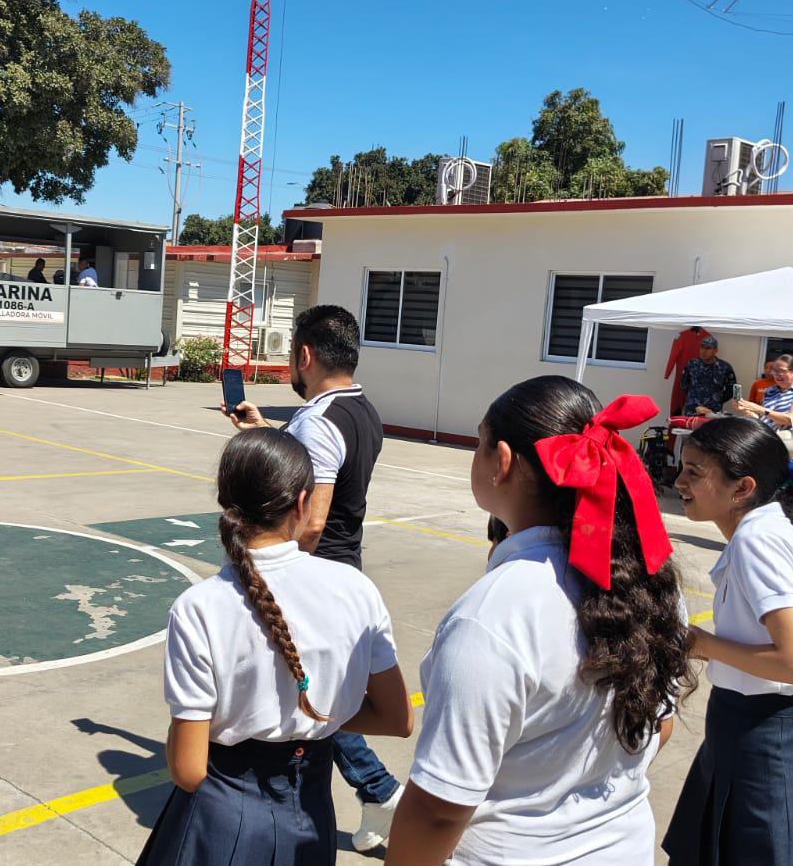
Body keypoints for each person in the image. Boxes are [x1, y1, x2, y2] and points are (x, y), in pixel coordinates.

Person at [385, 377, 694, 865]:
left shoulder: (491, 618)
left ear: (502, 461)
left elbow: (439, 811)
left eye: (479, 442)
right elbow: (661, 727)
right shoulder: (656, 583)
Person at [138, 430, 413, 865]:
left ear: (227, 504)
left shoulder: (199, 606)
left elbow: (189, 771)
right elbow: (397, 718)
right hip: (312, 815)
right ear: (303, 504)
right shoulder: (356, 590)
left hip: (222, 816)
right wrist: (319, 708)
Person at [226, 305, 403, 851]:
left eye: (290, 357)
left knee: (311, 698)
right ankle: (376, 794)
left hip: (318, 571)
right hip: (343, 566)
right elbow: (316, 466)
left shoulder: (318, 421)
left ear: (305, 356)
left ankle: (379, 791)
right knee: (321, 692)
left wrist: (278, 571)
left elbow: (314, 517)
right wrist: (268, 434)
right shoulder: (360, 409)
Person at [662, 418, 793, 865]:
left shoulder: (758, 543)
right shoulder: (763, 533)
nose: (679, 481)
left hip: (765, 746)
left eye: (694, 472)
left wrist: (699, 643)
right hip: (741, 735)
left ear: (742, 487)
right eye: (682, 468)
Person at [736, 353, 793, 432]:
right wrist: (749, 410)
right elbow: (765, 418)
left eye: (781, 371)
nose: (776, 375)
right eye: (774, 371)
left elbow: (790, 419)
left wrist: (759, 409)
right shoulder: (771, 391)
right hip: (767, 438)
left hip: (786, 441)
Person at [681, 334, 737, 416]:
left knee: (711, 429)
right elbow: (684, 385)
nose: (703, 351)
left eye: (708, 348)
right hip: (692, 409)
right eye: (702, 347)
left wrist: (718, 399)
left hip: (713, 410)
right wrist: (694, 396)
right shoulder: (692, 364)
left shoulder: (724, 367)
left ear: (716, 350)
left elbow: (733, 389)